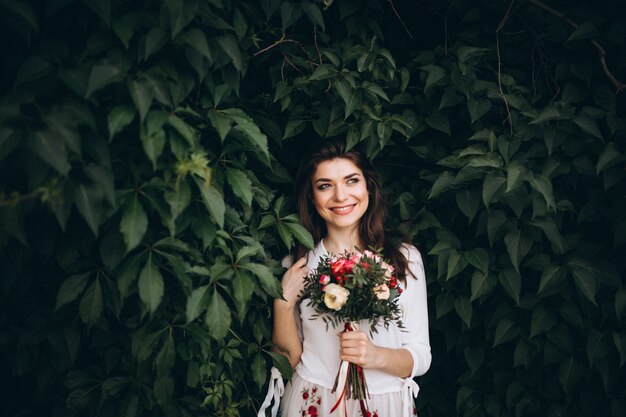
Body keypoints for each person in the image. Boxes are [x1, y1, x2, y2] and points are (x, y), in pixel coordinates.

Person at [258, 139, 431, 417]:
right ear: (312, 197)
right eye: (325, 185)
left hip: (382, 403)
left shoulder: (403, 259)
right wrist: (284, 302)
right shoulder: (298, 263)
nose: (340, 196)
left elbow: (421, 356)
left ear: (368, 188)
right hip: (313, 401)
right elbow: (288, 362)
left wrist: (375, 356)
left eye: (351, 181)